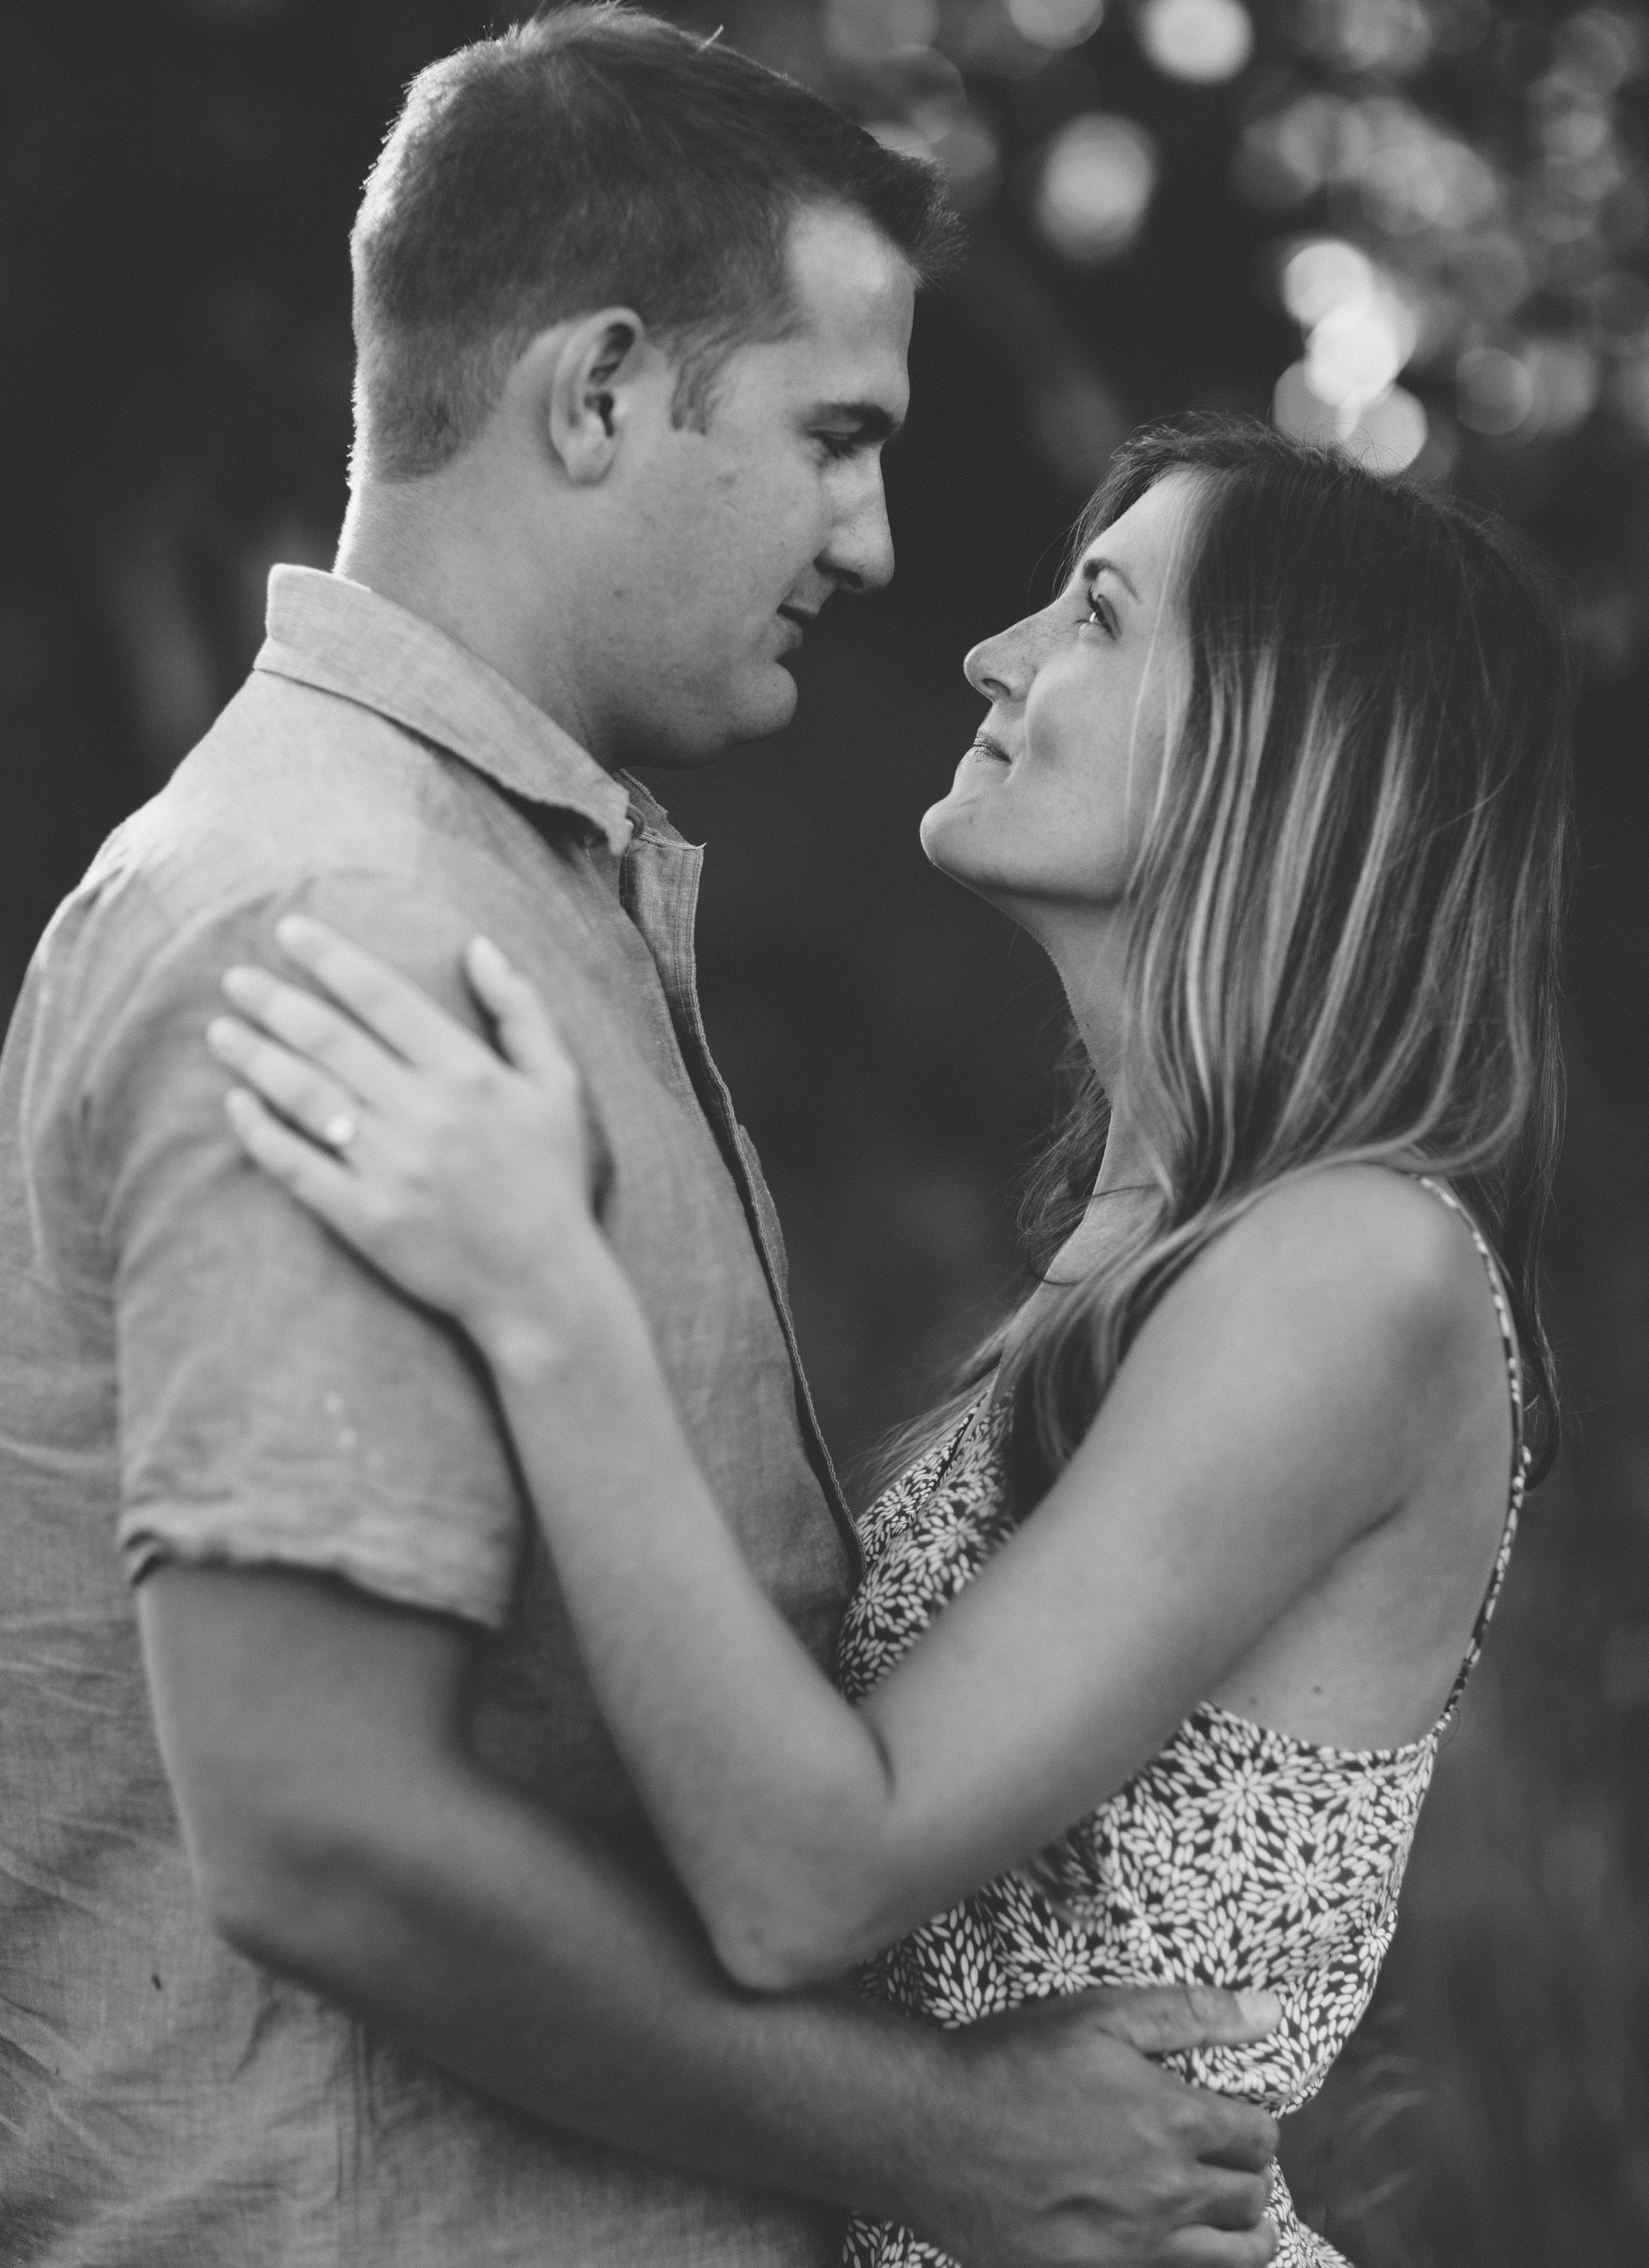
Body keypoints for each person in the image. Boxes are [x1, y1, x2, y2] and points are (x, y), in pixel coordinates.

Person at [0, 8, 1282, 2267]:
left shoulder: (501, 883)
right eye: (835, 438)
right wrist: (942, 2142)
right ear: (595, 395)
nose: (880, 541)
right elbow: (318, 1828)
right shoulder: (347, 922)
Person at [209, 415, 1570, 2268]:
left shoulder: (1358, 1268)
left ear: (1290, 750)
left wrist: (544, 1290)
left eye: (1094, 615)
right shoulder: (1137, 1264)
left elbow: (806, 1877)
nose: (991, 656)